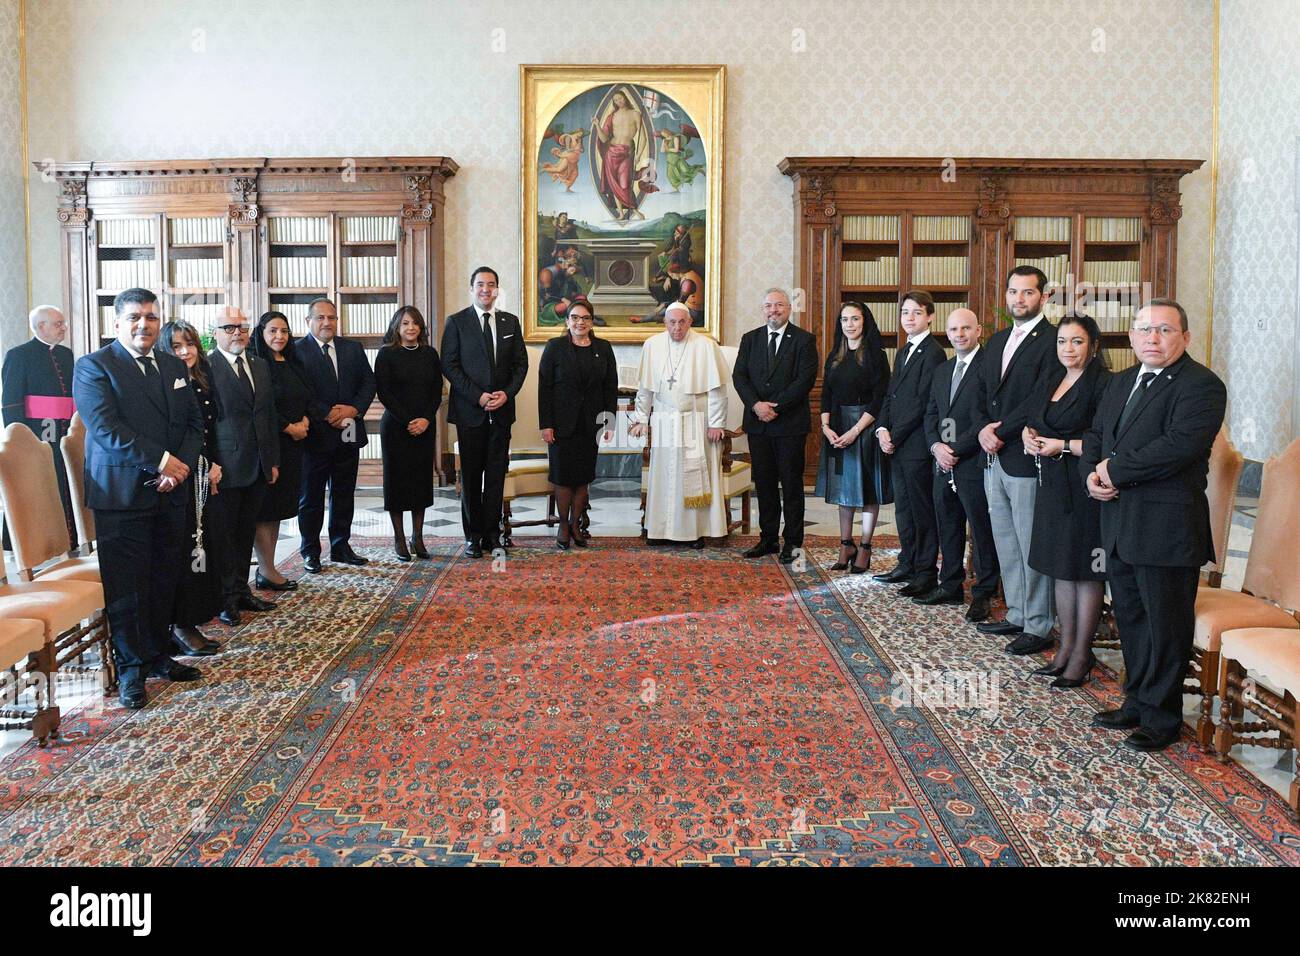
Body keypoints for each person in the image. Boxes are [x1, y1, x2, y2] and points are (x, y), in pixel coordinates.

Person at [1083, 299, 1226, 751]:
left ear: (1185, 336)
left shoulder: (1202, 385)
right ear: (1130, 336)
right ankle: (1137, 701)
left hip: (1167, 526)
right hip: (1119, 520)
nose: (1152, 338)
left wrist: (1114, 471)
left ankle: (1162, 718)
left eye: (1164, 330)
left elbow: (1178, 447)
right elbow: (1096, 436)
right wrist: (1093, 474)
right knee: (1131, 616)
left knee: (1166, 624)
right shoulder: (1121, 381)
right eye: (1144, 329)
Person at [72, 288, 204, 709]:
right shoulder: (93, 367)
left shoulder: (172, 364)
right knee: (128, 586)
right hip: (122, 494)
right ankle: (131, 670)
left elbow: (193, 423)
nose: (143, 325)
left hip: (172, 490)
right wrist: (162, 463)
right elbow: (106, 429)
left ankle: (158, 655)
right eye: (134, 318)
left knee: (166, 577)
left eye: (150, 317)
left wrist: (178, 466)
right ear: (117, 323)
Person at [1023, 313, 1112, 686]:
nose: (1068, 349)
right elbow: (1035, 419)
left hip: (1083, 485)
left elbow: (1102, 440)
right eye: (1062, 341)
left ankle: (1081, 654)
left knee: (1085, 571)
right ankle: (1064, 647)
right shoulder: (1052, 378)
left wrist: (1062, 446)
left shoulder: (1104, 384)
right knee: (1061, 567)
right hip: (1052, 485)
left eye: (1076, 341)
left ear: (1092, 346)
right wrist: (1029, 436)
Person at [974, 266, 1059, 654]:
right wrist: (980, 430)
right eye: (1013, 292)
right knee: (1005, 540)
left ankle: (1039, 624)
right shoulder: (997, 340)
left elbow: (1039, 398)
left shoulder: (1054, 340)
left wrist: (1000, 431)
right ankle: (1017, 613)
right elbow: (979, 392)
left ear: (1043, 297)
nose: (1018, 300)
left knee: (1030, 542)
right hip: (993, 456)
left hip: (1024, 454)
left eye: (1027, 293)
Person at [442, 267, 529, 558]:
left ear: (497, 290)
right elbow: (450, 366)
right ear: (471, 288)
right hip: (470, 412)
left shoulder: (510, 322)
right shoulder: (456, 322)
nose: (486, 290)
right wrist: (477, 396)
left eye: (491, 285)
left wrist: (507, 393)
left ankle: (492, 535)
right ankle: (472, 536)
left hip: (502, 413)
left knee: (495, 477)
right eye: (480, 285)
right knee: (470, 477)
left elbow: (521, 364)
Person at [630, 301, 731, 547]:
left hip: (696, 419)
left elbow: (718, 390)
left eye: (682, 322)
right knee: (663, 476)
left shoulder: (706, 346)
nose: (677, 327)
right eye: (672, 322)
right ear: (664, 322)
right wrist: (641, 418)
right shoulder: (652, 345)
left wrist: (717, 423)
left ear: (690, 322)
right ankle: (658, 530)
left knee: (693, 475)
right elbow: (645, 389)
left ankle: (694, 532)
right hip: (664, 418)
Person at [921, 308, 1000, 620]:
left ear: (978, 330)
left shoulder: (989, 367)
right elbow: (931, 414)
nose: (959, 335)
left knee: (980, 529)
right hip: (942, 462)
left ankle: (983, 592)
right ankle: (950, 583)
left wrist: (956, 447)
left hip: (973, 461)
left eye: (966, 328)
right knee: (948, 524)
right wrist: (936, 446)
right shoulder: (943, 370)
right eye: (953, 330)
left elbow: (988, 416)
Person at [732, 288, 818, 563]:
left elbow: (804, 381)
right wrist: (757, 405)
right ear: (763, 309)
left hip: (790, 425)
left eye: (779, 305)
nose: (773, 310)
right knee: (765, 485)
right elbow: (739, 377)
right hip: (758, 426)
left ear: (788, 308)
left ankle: (792, 543)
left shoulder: (804, 340)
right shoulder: (750, 339)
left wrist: (775, 407)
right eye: (768, 305)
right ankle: (767, 539)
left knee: (791, 486)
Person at [207, 307, 280, 624]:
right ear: (216, 333)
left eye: (242, 327)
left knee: (245, 532)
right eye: (229, 327)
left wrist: (272, 459)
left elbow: (267, 415)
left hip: (258, 464)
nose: (237, 332)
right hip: (224, 466)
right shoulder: (206, 367)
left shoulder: (259, 365)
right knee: (223, 536)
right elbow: (205, 423)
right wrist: (210, 462)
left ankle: (241, 590)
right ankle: (224, 599)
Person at [156, 320, 225, 656]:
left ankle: (192, 618)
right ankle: (179, 625)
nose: (185, 352)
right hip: (179, 473)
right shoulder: (164, 381)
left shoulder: (201, 377)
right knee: (185, 552)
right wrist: (198, 465)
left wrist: (212, 464)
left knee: (202, 548)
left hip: (202, 472)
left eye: (190, 345)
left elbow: (207, 429)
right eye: (177, 347)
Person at [293, 297, 376, 573]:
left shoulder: (352, 348)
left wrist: (354, 409)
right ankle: (310, 551)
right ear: (308, 321)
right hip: (316, 434)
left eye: (331, 318)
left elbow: (368, 382)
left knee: (344, 492)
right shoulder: (297, 351)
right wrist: (327, 414)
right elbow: (299, 392)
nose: (327, 323)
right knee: (311, 497)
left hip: (349, 432)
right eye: (320, 318)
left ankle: (341, 546)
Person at [873, 291, 945, 596]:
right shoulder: (903, 351)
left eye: (916, 313)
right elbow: (891, 395)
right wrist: (881, 429)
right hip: (897, 443)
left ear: (930, 316)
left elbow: (921, 402)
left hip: (915, 444)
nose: (909, 318)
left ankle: (925, 572)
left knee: (921, 509)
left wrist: (896, 435)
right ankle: (907, 561)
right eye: (905, 313)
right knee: (903, 508)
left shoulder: (934, 352)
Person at [815, 302, 891, 573]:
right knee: (844, 491)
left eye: (855, 319)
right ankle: (846, 544)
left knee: (867, 490)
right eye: (845, 319)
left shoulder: (877, 355)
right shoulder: (834, 354)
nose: (849, 324)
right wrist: (825, 427)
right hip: (836, 426)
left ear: (864, 322)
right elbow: (827, 394)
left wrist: (855, 431)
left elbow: (880, 398)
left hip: (865, 427)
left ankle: (866, 546)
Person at [537, 298, 618, 549]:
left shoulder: (603, 348)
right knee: (562, 478)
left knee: (583, 478)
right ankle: (562, 525)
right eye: (575, 317)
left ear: (591, 322)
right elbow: (545, 388)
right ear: (567, 320)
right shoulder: (555, 347)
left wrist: (609, 421)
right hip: (561, 425)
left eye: (584, 318)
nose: (579, 322)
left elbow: (609, 387)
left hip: (589, 424)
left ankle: (576, 525)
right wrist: (546, 424)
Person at [2, 306, 77, 548]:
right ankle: (30, 545)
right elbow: (11, 401)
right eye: (58, 324)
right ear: (40, 326)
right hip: (36, 431)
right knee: (37, 485)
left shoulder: (66, 355)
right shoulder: (19, 355)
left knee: (65, 481)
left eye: (63, 323)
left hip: (64, 430)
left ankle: (70, 537)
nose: (64, 327)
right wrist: (19, 440)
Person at [375, 306, 443, 561]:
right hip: (396, 427)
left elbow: (437, 389)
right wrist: (408, 421)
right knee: (397, 483)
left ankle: (418, 536)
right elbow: (384, 393)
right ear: (397, 327)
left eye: (415, 323)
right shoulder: (386, 355)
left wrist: (425, 419)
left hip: (425, 426)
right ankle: (399, 538)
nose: (411, 328)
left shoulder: (430, 354)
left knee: (420, 482)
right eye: (405, 323)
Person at [249, 311, 311, 591]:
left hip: (295, 447)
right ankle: (266, 569)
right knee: (265, 509)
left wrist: (306, 420)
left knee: (279, 509)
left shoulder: (293, 361)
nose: (279, 336)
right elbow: (262, 408)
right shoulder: (257, 365)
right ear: (261, 333)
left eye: (284, 331)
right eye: (273, 331)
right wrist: (289, 427)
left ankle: (268, 566)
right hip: (271, 444)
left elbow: (306, 395)